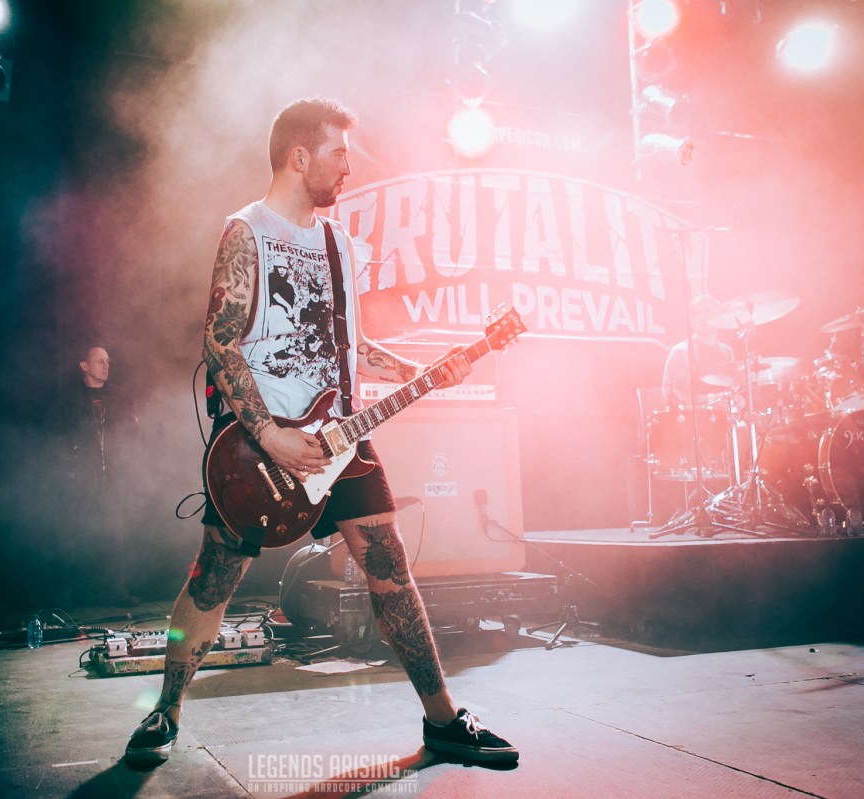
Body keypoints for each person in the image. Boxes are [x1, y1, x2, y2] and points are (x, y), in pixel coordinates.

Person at [123, 97, 517, 767]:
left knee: (390, 569)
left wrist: (421, 371)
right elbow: (220, 342)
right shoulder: (247, 232)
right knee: (214, 577)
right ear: (299, 157)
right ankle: (164, 710)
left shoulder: (339, 244)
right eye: (338, 153)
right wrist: (271, 436)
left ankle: (444, 720)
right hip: (258, 447)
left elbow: (351, 347)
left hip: (342, 440)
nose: (348, 167)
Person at [44, 344, 131, 605]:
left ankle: (115, 590)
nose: (106, 366)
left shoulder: (118, 397)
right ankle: (69, 592)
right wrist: (68, 469)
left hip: (111, 478)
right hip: (81, 480)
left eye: (108, 361)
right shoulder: (68, 401)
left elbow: (130, 433)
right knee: (74, 536)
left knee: (114, 536)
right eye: (100, 361)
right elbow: (54, 437)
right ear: (84, 366)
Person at [661, 294, 735, 410]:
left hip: (723, 417)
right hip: (693, 419)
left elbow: (730, 390)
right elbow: (670, 395)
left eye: (707, 312)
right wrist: (712, 399)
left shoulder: (727, 351)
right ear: (691, 321)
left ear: (719, 316)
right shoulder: (682, 351)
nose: (702, 317)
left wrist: (736, 399)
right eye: (696, 313)